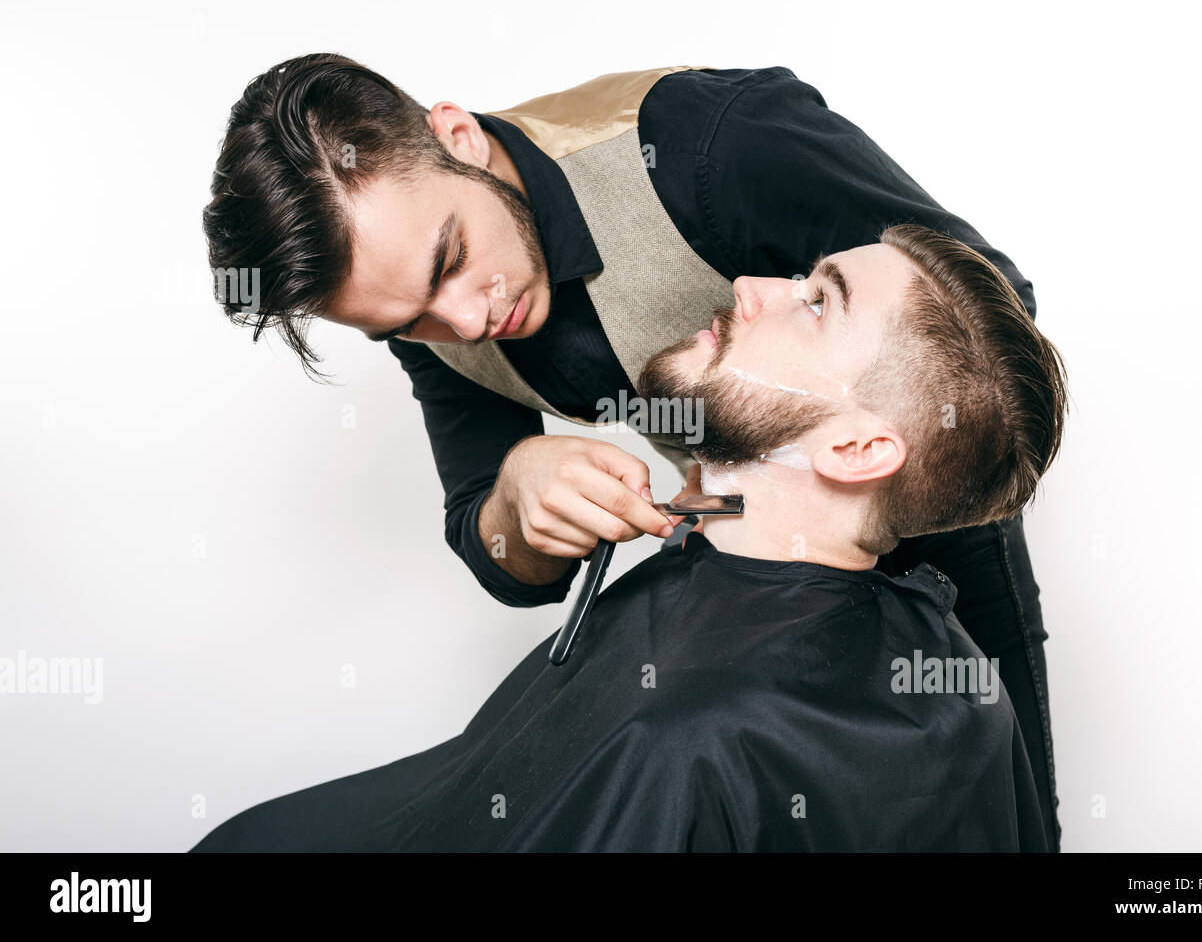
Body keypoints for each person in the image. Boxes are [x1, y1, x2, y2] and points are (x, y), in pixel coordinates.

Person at [203, 57, 1061, 848]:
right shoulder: (418, 303)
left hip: (917, 550)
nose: (462, 324)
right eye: (407, 323)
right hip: (731, 588)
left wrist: (799, 477)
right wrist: (516, 497)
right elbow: (493, 547)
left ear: (456, 138)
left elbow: (982, 332)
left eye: (452, 261)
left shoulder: (708, 145)